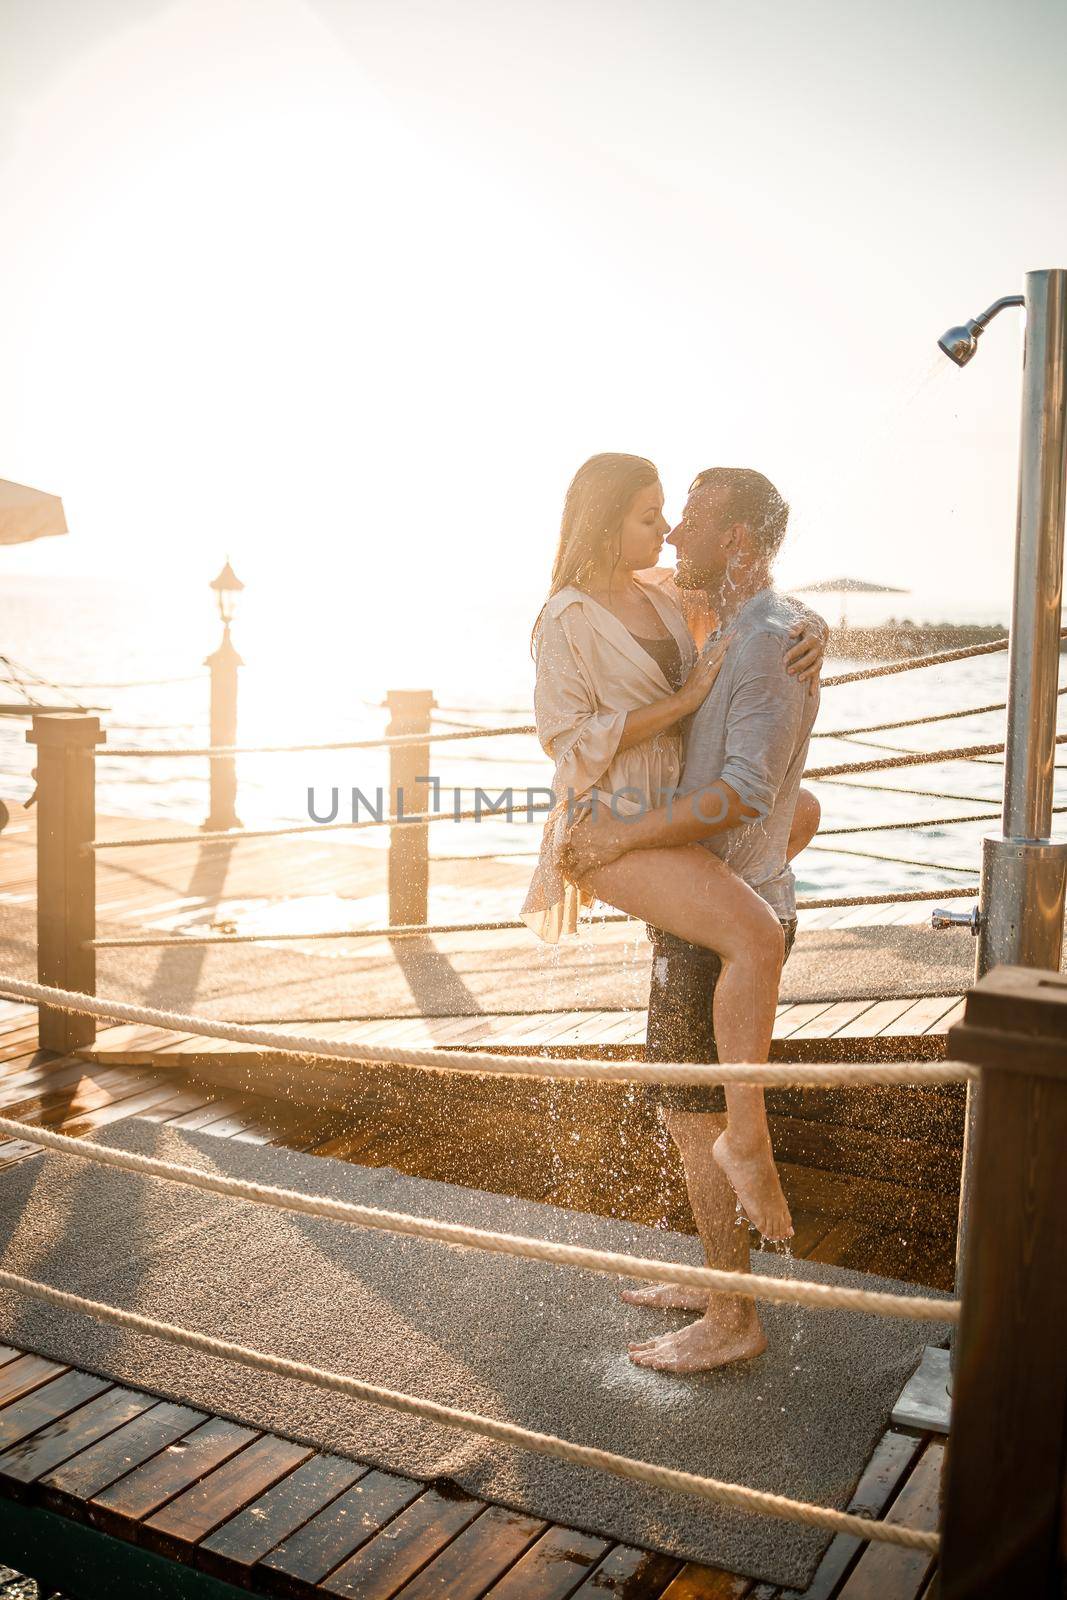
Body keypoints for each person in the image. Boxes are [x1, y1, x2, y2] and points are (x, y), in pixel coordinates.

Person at [560, 465, 824, 1373]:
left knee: (689, 1115)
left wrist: (617, 835)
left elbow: (745, 790)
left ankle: (732, 1317)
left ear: (738, 540)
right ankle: (719, 1283)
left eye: (695, 520)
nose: (674, 535)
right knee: (682, 1110)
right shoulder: (749, 624)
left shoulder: (762, 641)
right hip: (705, 901)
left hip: (725, 918)